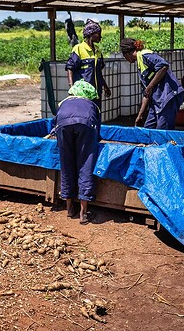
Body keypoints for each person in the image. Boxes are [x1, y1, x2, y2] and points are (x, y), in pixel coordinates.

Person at [53, 80, 101, 225]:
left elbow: (55, 123)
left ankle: (69, 208)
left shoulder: (63, 103)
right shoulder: (92, 105)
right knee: (85, 163)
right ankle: (83, 212)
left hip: (63, 126)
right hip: (85, 125)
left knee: (66, 164)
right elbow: (97, 132)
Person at [119, 38, 184, 130]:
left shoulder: (145, 55)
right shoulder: (140, 65)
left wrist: (151, 85)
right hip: (157, 100)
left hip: (167, 96)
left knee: (162, 130)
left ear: (127, 53)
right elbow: (146, 93)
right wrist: (140, 115)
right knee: (148, 129)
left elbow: (163, 66)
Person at [65, 19, 111, 108]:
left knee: (96, 115)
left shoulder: (98, 51)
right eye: (98, 33)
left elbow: (98, 72)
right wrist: (72, 87)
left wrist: (105, 86)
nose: (100, 37)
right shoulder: (78, 49)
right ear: (91, 34)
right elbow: (69, 68)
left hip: (96, 93)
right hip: (83, 93)